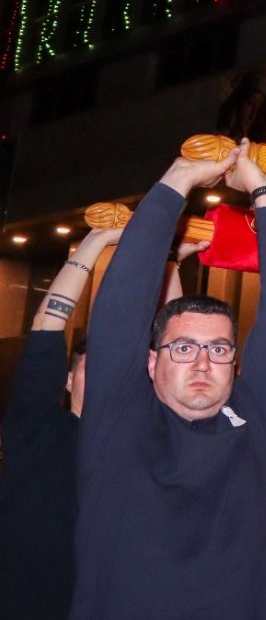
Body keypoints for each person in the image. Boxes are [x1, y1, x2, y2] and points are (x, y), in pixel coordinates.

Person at [71, 143, 266, 620]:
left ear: (234, 364)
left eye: (218, 349)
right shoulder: (119, 420)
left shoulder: (257, 424)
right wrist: (179, 179)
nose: (202, 362)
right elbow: (125, 296)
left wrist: (264, 191)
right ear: (151, 363)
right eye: (183, 347)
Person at [0, 223, 118, 620]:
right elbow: (48, 324)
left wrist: (169, 260)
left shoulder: (132, 444)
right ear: (68, 379)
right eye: (90, 365)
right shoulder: (36, 427)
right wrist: (95, 242)